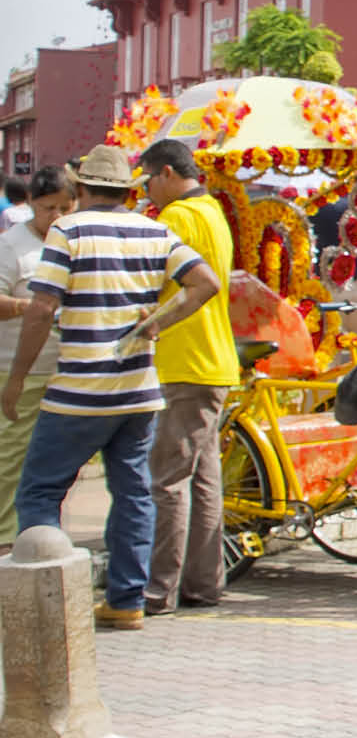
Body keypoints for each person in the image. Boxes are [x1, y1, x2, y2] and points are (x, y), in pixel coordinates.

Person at [4, 145, 221, 630]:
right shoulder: (156, 230)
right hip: (138, 391)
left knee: (38, 493)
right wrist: (160, 319)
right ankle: (127, 600)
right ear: (128, 191)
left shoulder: (68, 230)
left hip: (78, 390)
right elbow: (205, 282)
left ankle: (44, 602)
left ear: (80, 189)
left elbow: (41, 309)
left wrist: (17, 378)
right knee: (133, 494)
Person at [137, 140, 240, 615]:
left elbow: (151, 283)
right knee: (202, 482)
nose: (147, 192)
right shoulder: (213, 211)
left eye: (148, 181)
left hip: (184, 361)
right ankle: (203, 585)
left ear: (165, 173)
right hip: (213, 360)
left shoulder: (176, 219)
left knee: (168, 481)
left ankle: (158, 590)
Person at [0, 166, 73, 546]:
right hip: (16, 367)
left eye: (65, 207)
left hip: (64, 370)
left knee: (51, 462)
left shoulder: (72, 240)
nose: (57, 216)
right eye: (48, 209)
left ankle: (41, 535)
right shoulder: (11, 245)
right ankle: (5, 541)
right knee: (11, 458)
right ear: (31, 204)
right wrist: (26, 307)